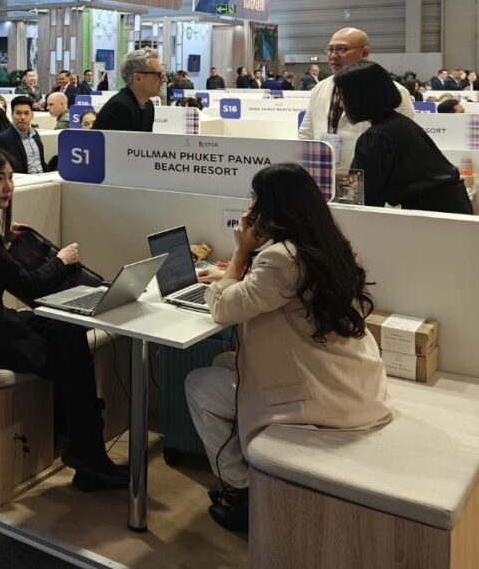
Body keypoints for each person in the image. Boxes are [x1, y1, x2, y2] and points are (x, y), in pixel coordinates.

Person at [186, 163, 393, 532]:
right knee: (222, 363)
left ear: (272, 207)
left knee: (199, 384)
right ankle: (245, 479)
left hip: (320, 397)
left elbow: (223, 309)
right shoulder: (324, 245)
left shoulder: (280, 258)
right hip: (350, 380)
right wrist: (235, 273)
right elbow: (273, 291)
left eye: (256, 200)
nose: (251, 209)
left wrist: (240, 253)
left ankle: (242, 490)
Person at [0, 149, 129, 491]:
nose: (8, 186)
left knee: (67, 337)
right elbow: (28, 285)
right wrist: (62, 261)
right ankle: (85, 451)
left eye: (10, 177)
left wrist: (3, 243)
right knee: (69, 348)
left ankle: (81, 446)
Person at [334, 61, 473, 215]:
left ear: (359, 97)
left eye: (342, 95)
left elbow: (356, 198)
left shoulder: (376, 136)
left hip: (431, 218)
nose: (340, 103)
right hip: (450, 210)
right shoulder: (399, 123)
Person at [299, 27, 416, 172]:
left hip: (369, 175)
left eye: (341, 49)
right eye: (330, 49)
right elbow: (307, 133)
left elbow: (405, 141)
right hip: (324, 171)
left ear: (364, 52)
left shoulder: (392, 91)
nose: (333, 55)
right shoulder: (320, 87)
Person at [93, 48, 161, 132]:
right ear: (137, 78)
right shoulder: (118, 108)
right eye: (158, 74)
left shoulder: (149, 106)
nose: (164, 79)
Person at [0, 96, 47, 174]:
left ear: (32, 115)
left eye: (26, 113)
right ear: (12, 115)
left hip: (44, 177)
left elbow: (42, 163)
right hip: (23, 180)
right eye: (18, 113)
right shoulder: (3, 139)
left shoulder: (35, 135)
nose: (23, 117)